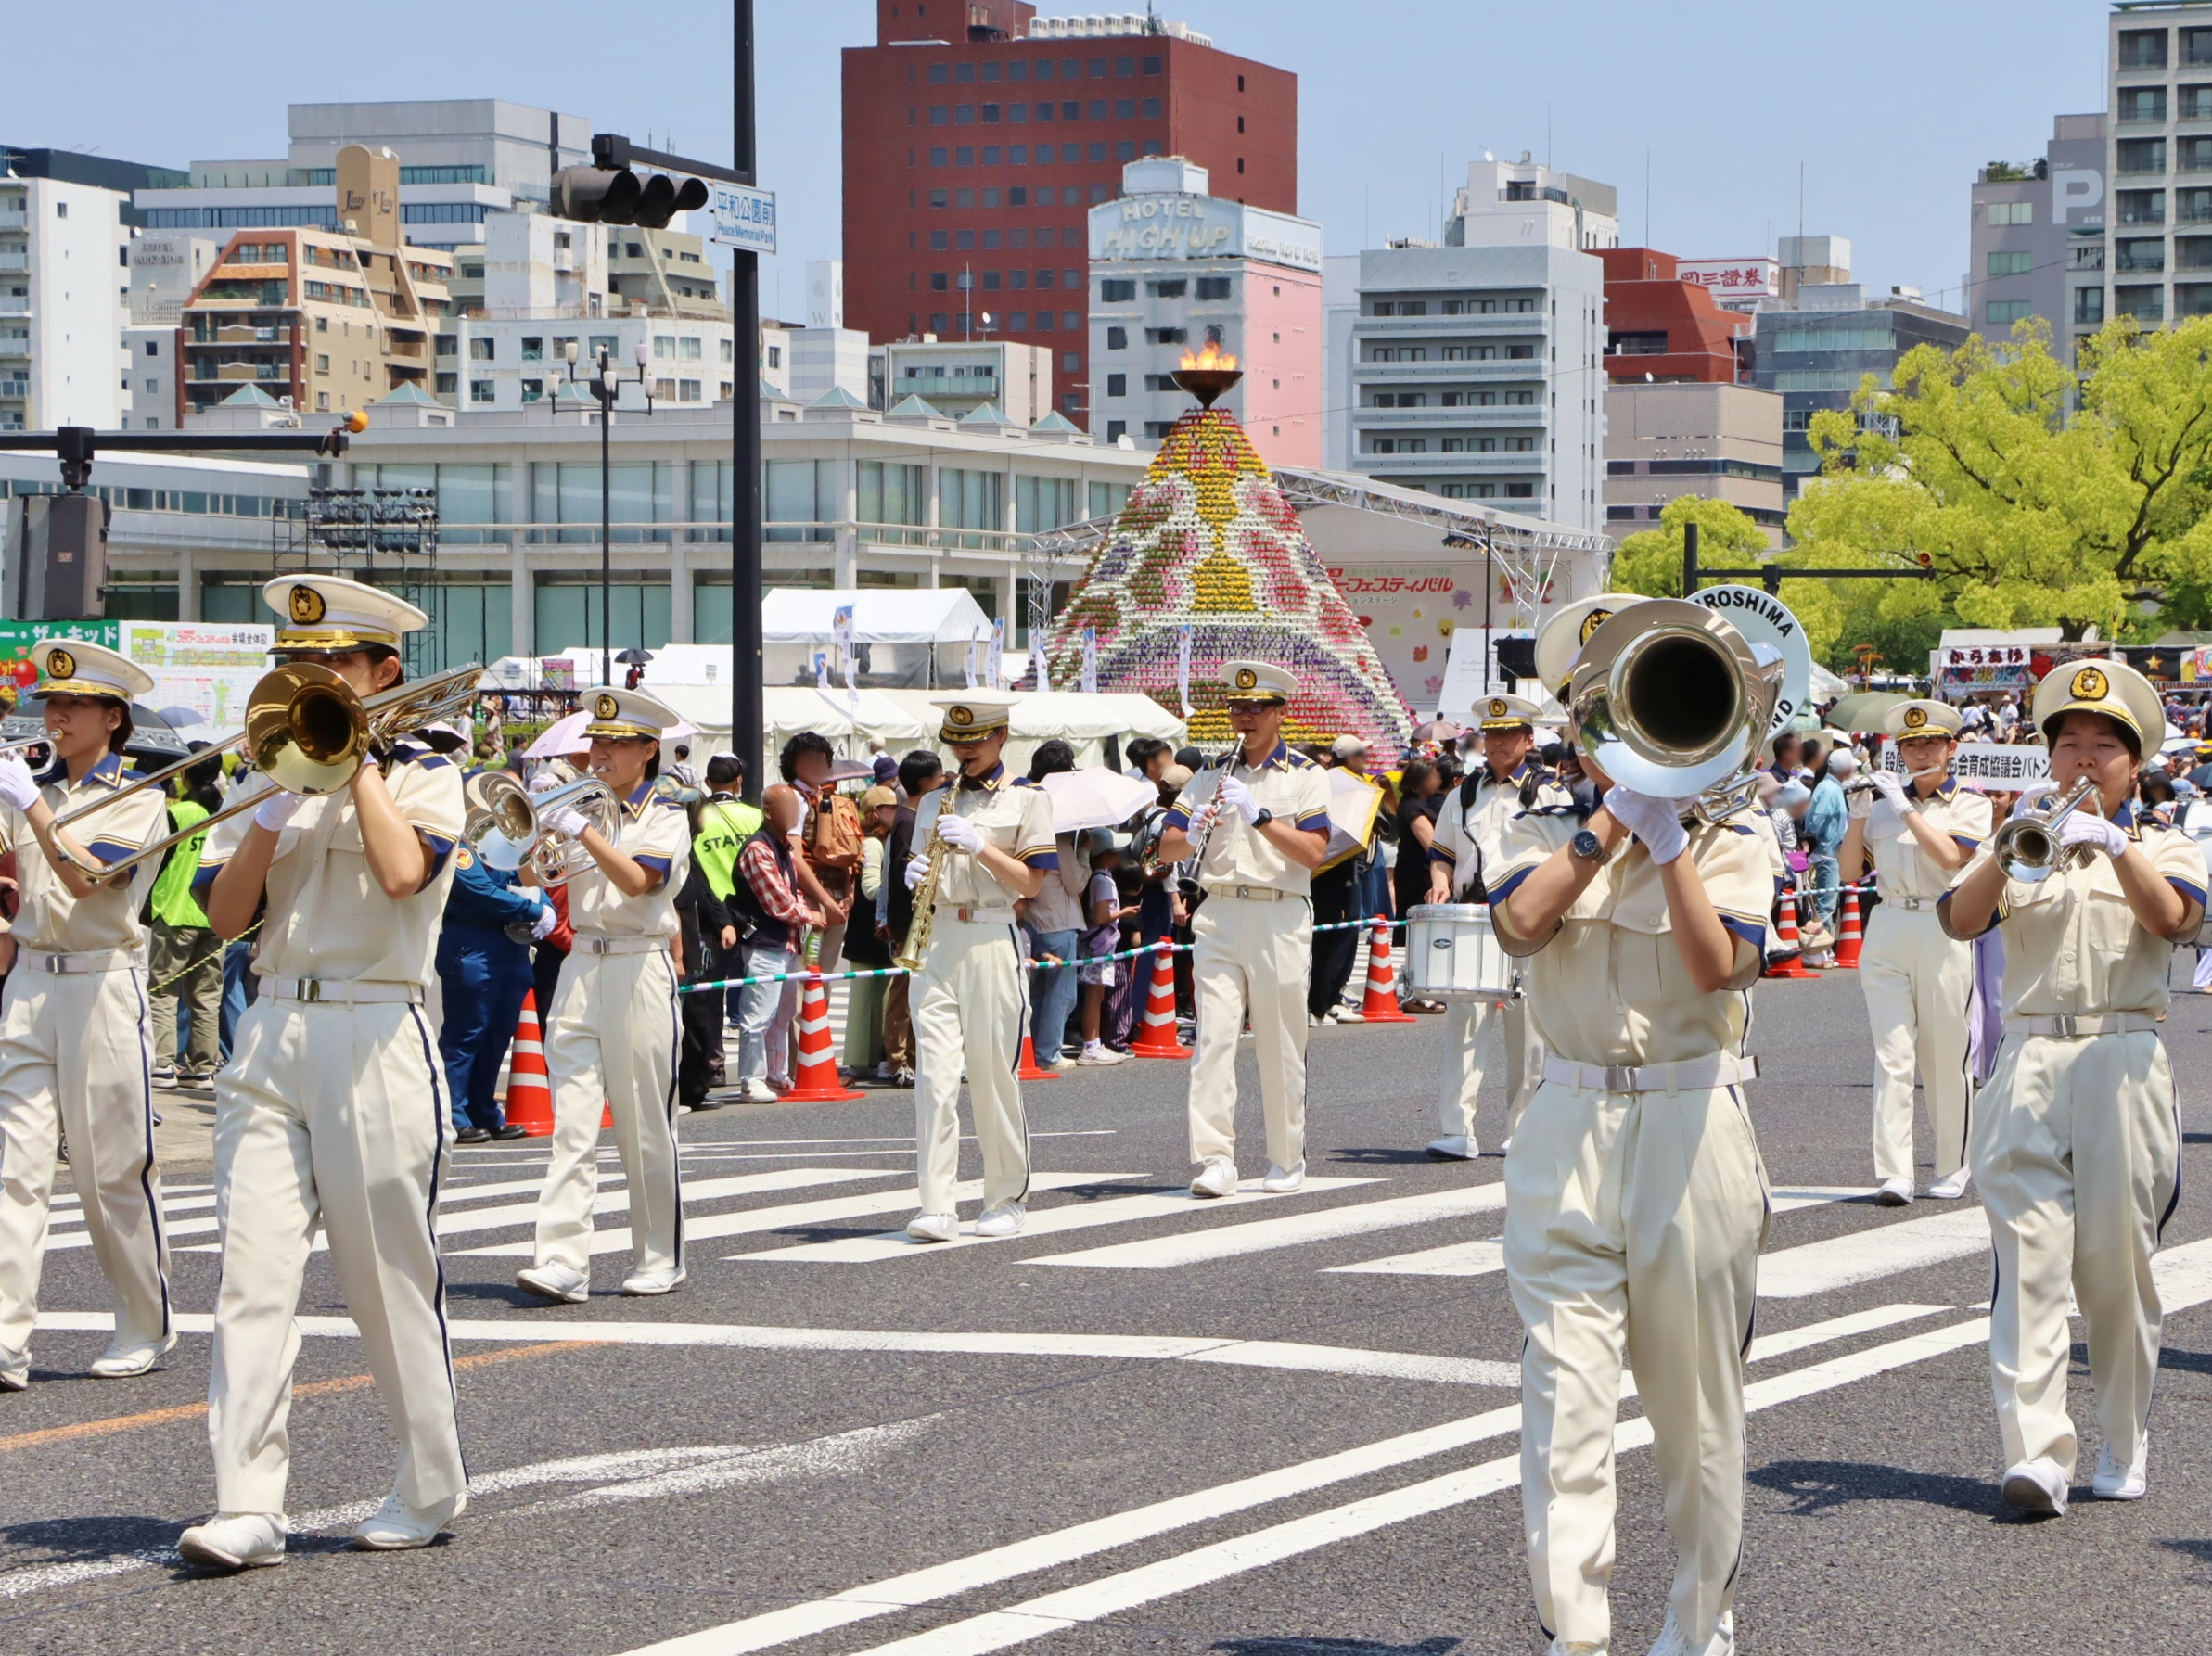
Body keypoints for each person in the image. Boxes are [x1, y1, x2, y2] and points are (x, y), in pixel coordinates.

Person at [1491, 597, 1772, 1656]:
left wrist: (1672, 846)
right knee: (1563, 1397)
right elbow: (1520, 923)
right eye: (1595, 713)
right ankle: (1574, 1634)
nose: (1615, 734)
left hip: (1689, 1119)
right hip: (1566, 1115)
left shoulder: (1736, 835)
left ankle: (1701, 1622)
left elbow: (1718, 966)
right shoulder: (1534, 829)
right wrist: (1607, 823)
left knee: (1694, 1407)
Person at [182, 578, 468, 1568]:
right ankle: (247, 1503)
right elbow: (225, 918)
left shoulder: (429, 769)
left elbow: (402, 874)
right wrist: (271, 805)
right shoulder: (261, 772)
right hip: (271, 1027)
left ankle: (428, 1482)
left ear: (384, 673)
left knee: (387, 1278)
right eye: (297, 662)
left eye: (334, 662)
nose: (312, 677)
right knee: (250, 1279)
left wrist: (355, 768)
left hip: (375, 1027)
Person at [1939, 658, 2206, 1515]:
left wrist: (2118, 848)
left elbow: (2174, 920)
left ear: (2135, 763)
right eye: (2067, 744)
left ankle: (2123, 1439)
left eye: (2103, 745)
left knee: (2116, 1268)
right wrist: (2008, 841)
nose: (2083, 759)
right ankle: (2035, 1453)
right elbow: (1959, 919)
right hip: (2027, 1055)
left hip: (2121, 1055)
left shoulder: (2163, 842)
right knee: (2026, 1262)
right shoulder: (2026, 835)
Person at [0, 639, 173, 1395]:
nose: (57, 717)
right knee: (14, 1168)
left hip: (101, 984)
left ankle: (143, 1322)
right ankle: (5, 1338)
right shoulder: (29, 785)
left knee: (111, 1172)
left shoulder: (140, 795)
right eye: (52, 704)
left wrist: (30, 805)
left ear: (113, 718)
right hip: (29, 982)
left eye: (75, 705)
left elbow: (90, 881)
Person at [514, 686, 693, 1306]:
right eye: (597, 742)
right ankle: (562, 1260)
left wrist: (582, 831)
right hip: (580, 964)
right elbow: (532, 877)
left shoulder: (666, 814)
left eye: (617, 744)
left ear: (648, 751)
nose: (601, 754)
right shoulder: (581, 804)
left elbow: (641, 881)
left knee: (645, 1125)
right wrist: (535, 831)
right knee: (572, 1125)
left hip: (639, 964)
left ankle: (659, 1256)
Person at [1154, 662, 1332, 1198]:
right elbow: (1164, 848)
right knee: (1213, 1039)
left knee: (1280, 1041)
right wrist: (1193, 831)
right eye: (1237, 707)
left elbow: (1315, 851)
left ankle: (1286, 1157)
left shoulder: (1304, 773)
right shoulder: (1209, 774)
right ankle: (1215, 1158)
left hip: (1279, 911)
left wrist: (1260, 817)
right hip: (1220, 910)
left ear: (1280, 712)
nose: (1244, 717)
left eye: (1256, 708)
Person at [899, 694, 1056, 1241]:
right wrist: (913, 874)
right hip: (937, 935)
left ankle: (1006, 1197)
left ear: (1001, 736)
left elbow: (1032, 883)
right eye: (956, 743)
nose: (964, 752)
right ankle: (937, 1204)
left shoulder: (1028, 798)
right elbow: (921, 863)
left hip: (992, 931)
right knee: (935, 1081)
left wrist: (982, 846)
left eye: (975, 741)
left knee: (992, 1076)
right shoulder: (932, 800)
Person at [1837, 702, 1993, 1205]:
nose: (1920, 753)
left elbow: (1951, 856)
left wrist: (1904, 809)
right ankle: (1894, 1170)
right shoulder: (1883, 804)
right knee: (1892, 1053)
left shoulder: (1970, 803)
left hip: (1943, 921)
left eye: (1930, 743)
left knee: (1945, 1054)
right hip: (1888, 922)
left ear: (1951, 748)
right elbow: (1848, 872)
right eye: (1910, 745)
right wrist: (1858, 816)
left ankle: (1953, 1164)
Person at [1424, 694, 1569, 1159]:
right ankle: (1456, 1129)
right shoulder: (1463, 793)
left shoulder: (1550, 793)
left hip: (1529, 917)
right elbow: (1443, 853)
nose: (1499, 743)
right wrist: (1439, 883)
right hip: (1475, 915)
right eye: (1492, 734)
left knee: (1529, 1031)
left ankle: (1522, 1128)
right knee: (1464, 1024)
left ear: (1528, 740)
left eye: (1509, 734)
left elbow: (1566, 860)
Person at [435, 785, 556, 1142]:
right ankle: (453, 1114)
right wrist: (533, 909)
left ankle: (484, 1109)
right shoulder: (462, 846)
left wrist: (544, 904)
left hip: (509, 950)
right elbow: (479, 892)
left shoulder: (503, 847)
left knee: (498, 1034)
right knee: (466, 1034)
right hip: (473, 948)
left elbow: (527, 882)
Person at [726, 784, 824, 1103]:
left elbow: (792, 891)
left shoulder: (782, 847)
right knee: (757, 1016)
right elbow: (777, 902)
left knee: (782, 1015)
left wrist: (806, 911)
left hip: (785, 943)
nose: (795, 815)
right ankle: (751, 1080)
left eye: (797, 808)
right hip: (763, 942)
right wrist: (810, 915)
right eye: (788, 808)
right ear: (768, 811)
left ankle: (776, 1075)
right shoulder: (759, 848)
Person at [148, 745, 225, 1088]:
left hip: (175, 911)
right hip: (215, 915)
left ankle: (162, 1064)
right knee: (207, 997)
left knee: (163, 991)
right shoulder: (227, 814)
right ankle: (203, 1067)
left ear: (185, 773)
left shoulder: (178, 813)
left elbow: (156, 863)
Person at [1020, 740, 1086, 1072]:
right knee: (1061, 994)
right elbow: (1076, 883)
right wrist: (1084, 852)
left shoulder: (1026, 814)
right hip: (1060, 922)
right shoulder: (1059, 838)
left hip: (1031, 921)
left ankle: (1031, 1050)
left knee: (1036, 993)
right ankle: (1048, 1053)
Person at [881, 749, 943, 1088]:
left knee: (920, 992)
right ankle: (898, 1060)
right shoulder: (907, 820)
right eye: (940, 777)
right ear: (925, 782)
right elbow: (901, 876)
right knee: (903, 994)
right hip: (910, 920)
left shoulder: (916, 816)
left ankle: (917, 1058)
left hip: (919, 919)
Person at [782, 731, 862, 977]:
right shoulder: (792, 798)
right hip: (808, 899)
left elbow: (843, 851)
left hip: (836, 898)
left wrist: (849, 895)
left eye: (823, 759)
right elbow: (794, 857)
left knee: (824, 976)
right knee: (805, 976)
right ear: (793, 765)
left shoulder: (831, 799)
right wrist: (828, 902)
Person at [691, 754, 761, 1024]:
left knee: (711, 989)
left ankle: (716, 1040)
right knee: (752, 983)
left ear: (707, 782)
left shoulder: (695, 816)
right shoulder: (755, 816)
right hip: (750, 909)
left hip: (709, 911)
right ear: (738, 781)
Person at [1306, 733, 1370, 1024]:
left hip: (1350, 867)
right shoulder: (1333, 782)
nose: (1365, 758)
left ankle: (1332, 996)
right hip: (1332, 869)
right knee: (1333, 935)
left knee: (1346, 932)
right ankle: (1321, 1001)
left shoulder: (1357, 783)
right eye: (1359, 753)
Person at [841, 783, 899, 1080]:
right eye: (891, 808)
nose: (897, 812)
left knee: (879, 996)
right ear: (876, 812)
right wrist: (898, 889)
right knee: (868, 999)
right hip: (869, 929)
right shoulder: (874, 844)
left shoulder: (883, 841)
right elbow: (870, 888)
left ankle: (869, 1058)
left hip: (869, 929)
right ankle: (863, 1060)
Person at [1076, 830, 1137, 1064]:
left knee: (1096, 994)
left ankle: (1094, 1042)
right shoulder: (1103, 881)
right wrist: (1125, 912)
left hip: (1094, 943)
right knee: (1095, 995)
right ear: (1106, 856)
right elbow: (1101, 916)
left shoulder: (1094, 876)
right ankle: (1091, 1046)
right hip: (1100, 945)